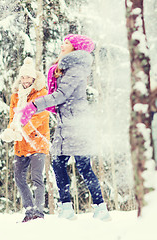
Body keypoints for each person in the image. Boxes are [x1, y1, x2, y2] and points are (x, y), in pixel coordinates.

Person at [17, 34, 111, 221]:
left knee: (84, 166)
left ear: (75, 48)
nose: (63, 44)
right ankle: (67, 208)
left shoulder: (77, 68)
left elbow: (61, 95)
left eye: (67, 42)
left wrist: (34, 105)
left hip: (78, 123)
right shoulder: (63, 68)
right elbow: (57, 99)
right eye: (63, 41)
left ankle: (101, 208)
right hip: (65, 123)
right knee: (58, 164)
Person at [1, 57, 50, 222]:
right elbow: (12, 117)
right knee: (19, 178)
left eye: (28, 77)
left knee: (37, 178)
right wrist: (10, 131)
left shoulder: (42, 94)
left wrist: (21, 131)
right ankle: (29, 211)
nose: (25, 80)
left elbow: (40, 118)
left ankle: (39, 212)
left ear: (34, 79)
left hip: (37, 143)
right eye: (23, 77)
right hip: (20, 144)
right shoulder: (15, 96)